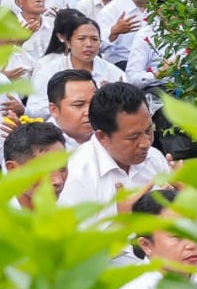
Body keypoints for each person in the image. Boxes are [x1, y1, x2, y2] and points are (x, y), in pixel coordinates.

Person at [59, 81, 167, 209]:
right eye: (133, 137)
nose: (145, 143)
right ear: (102, 137)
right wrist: (123, 223)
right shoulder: (77, 173)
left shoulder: (154, 158)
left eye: (149, 131)